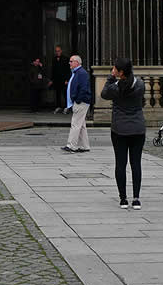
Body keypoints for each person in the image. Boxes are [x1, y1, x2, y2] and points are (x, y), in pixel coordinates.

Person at [101, 58, 146, 208]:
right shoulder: (139, 84)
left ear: (120, 72)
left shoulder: (115, 87)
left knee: (120, 164)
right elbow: (142, 102)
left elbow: (104, 93)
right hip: (138, 128)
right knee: (136, 164)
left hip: (119, 128)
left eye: (114, 68)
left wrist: (110, 77)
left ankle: (123, 199)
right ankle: (136, 198)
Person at [61, 54, 92, 153]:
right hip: (80, 101)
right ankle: (85, 146)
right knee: (81, 124)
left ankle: (71, 146)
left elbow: (83, 88)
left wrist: (77, 100)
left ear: (77, 62)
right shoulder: (77, 72)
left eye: (71, 61)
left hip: (81, 102)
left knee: (75, 123)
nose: (69, 63)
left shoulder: (81, 73)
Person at [50, 44, 69, 113]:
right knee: (57, 94)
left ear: (61, 51)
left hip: (64, 79)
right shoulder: (54, 59)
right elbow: (53, 70)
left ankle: (67, 107)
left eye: (58, 51)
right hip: (56, 79)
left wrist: (67, 79)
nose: (57, 52)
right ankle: (58, 106)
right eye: (56, 51)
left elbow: (68, 70)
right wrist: (52, 79)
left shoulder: (66, 58)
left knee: (65, 94)